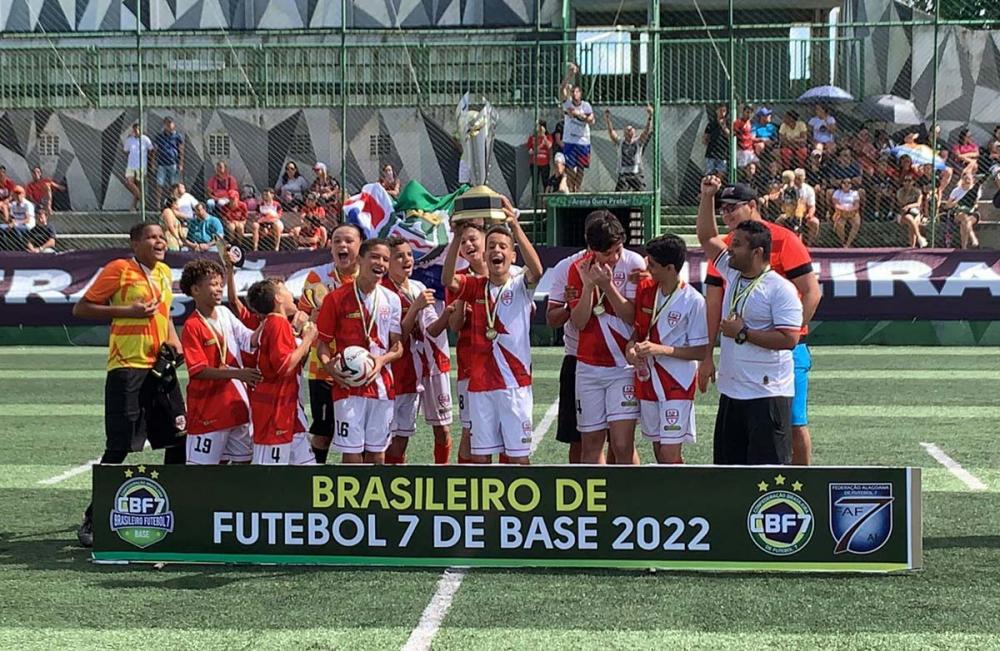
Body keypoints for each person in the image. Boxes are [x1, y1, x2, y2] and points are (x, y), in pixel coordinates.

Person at [71, 223, 184, 547]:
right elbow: (81, 308)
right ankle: (94, 517)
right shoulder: (119, 269)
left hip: (159, 368)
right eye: (151, 237)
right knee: (119, 446)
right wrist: (128, 311)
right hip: (126, 367)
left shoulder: (163, 271)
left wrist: (174, 344)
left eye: (162, 236)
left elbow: (166, 315)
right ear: (135, 243)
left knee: (178, 438)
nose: (159, 241)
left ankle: (176, 507)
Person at [698, 181, 822, 467]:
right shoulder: (733, 266)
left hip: (771, 379)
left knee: (791, 426)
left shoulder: (780, 281)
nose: (729, 248)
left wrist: (752, 333)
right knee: (731, 460)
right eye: (723, 209)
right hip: (737, 384)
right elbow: (706, 237)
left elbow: (796, 324)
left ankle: (800, 488)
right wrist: (706, 196)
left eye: (733, 208)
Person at [442, 198, 544, 464]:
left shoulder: (520, 285)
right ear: (485, 256)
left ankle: (520, 507)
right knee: (480, 459)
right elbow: (447, 280)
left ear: (512, 256)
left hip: (514, 386)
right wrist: (456, 238)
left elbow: (537, 270)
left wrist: (516, 227)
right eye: (491, 247)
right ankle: (486, 509)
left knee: (519, 459)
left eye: (503, 247)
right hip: (480, 387)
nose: (496, 251)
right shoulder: (475, 286)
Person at [567, 211, 645, 465]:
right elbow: (578, 322)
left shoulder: (634, 263)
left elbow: (632, 316)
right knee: (590, 445)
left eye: (617, 250)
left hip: (623, 366)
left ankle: (631, 503)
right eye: (607, 253)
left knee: (622, 444)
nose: (614, 257)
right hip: (588, 367)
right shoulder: (577, 268)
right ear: (592, 249)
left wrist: (608, 286)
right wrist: (589, 285)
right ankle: (597, 503)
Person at [316, 238, 404, 464]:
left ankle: (373, 499)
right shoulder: (335, 298)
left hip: (383, 386)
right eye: (375, 257)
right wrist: (331, 370)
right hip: (348, 387)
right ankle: (351, 500)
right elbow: (322, 345)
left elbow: (398, 346)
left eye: (386, 259)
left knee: (377, 453)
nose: (381, 263)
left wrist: (381, 360)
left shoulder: (392, 299)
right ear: (359, 260)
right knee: (352, 451)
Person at [626, 234, 709, 464]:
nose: (646, 267)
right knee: (658, 448)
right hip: (648, 380)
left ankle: (682, 499)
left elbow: (701, 351)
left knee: (669, 454)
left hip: (677, 382)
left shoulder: (693, 300)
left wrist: (660, 350)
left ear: (670, 268)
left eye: (651, 264)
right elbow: (637, 334)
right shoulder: (646, 291)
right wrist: (631, 348)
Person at [178, 259, 261, 465]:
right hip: (208, 410)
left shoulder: (225, 313)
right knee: (204, 473)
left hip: (236, 407)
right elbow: (198, 370)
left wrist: (271, 320)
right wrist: (237, 373)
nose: (218, 289)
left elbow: (249, 340)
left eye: (220, 284)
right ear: (196, 289)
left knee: (243, 463)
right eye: (213, 284)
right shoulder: (192, 326)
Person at [383, 237, 453, 465]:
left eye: (410, 255)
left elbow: (432, 329)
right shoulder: (383, 292)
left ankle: (442, 476)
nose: (407, 260)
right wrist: (415, 308)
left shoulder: (418, 287)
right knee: (397, 437)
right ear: (387, 263)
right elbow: (397, 339)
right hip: (401, 370)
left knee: (443, 428)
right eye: (399, 256)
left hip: (432, 363)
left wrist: (448, 314)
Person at [297, 223, 363, 463]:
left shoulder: (368, 277)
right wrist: (305, 322)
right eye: (337, 241)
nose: (342, 246)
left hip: (360, 367)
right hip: (322, 369)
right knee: (323, 433)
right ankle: (317, 481)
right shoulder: (317, 277)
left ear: (361, 246)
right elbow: (302, 315)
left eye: (348, 241)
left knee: (360, 434)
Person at [245, 278, 318, 465]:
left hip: (287, 409)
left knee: (306, 467)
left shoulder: (277, 323)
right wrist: (309, 339)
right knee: (270, 474)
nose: (290, 294)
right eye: (285, 289)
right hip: (274, 411)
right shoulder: (277, 323)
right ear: (278, 297)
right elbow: (283, 365)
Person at [435, 222, 490, 464]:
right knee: (471, 431)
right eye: (463, 241)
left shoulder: (511, 274)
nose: (469, 245)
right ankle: (468, 488)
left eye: (473, 239)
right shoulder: (460, 280)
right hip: (471, 366)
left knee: (505, 432)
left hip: (508, 368)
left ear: (485, 240)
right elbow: (455, 327)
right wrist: (459, 309)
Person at [546, 248, 587, 463]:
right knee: (578, 439)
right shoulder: (567, 267)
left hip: (617, 360)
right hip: (576, 357)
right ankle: (582, 489)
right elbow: (552, 318)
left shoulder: (628, 262)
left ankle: (622, 493)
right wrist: (572, 307)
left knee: (621, 440)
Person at [559, 62, 595, 192]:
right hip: (570, 140)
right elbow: (562, 88)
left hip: (583, 141)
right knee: (569, 167)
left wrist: (579, 115)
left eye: (577, 92)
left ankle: (577, 189)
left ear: (581, 94)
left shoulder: (586, 106)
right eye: (573, 91)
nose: (575, 94)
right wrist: (570, 75)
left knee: (581, 167)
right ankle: (571, 185)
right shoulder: (567, 103)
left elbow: (591, 120)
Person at [605, 105, 654, 191]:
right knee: (619, 197)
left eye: (631, 129)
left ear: (634, 133)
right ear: (624, 133)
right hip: (624, 175)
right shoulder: (620, 142)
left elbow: (646, 131)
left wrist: (650, 117)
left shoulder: (638, 142)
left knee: (642, 194)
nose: (629, 130)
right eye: (627, 130)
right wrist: (607, 119)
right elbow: (611, 132)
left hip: (636, 174)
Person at [941, 171, 982, 249]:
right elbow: (948, 205)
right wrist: (957, 202)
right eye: (965, 178)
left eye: (969, 179)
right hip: (959, 212)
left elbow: (976, 204)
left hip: (972, 213)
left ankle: (964, 247)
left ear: (972, 180)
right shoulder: (956, 190)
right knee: (963, 217)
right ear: (962, 179)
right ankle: (973, 239)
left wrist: (971, 208)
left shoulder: (975, 190)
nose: (967, 180)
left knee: (965, 222)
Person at [152, 117, 185, 209]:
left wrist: (181, 163)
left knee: (173, 185)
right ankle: (158, 204)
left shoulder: (177, 136)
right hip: (161, 163)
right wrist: (153, 163)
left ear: (174, 125)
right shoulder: (159, 136)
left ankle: (173, 203)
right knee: (159, 184)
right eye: (167, 124)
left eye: (171, 123)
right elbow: (155, 150)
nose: (169, 125)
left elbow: (181, 150)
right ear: (164, 125)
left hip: (173, 163)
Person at [123, 123, 153, 210]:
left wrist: (151, 162)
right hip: (131, 166)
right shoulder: (129, 140)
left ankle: (134, 206)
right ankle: (143, 201)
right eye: (135, 130)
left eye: (138, 129)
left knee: (139, 186)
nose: (136, 131)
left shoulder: (145, 139)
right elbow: (125, 151)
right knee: (129, 182)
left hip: (141, 166)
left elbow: (151, 150)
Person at [894, 177, 927, 248]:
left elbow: (918, 203)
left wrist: (909, 206)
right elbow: (902, 203)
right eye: (905, 181)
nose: (908, 183)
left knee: (913, 222)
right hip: (903, 213)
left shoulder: (917, 191)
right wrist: (907, 192)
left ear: (913, 182)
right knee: (910, 219)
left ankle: (912, 246)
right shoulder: (900, 191)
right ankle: (919, 238)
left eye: (909, 181)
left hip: (915, 212)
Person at [831, 178, 862, 248]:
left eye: (849, 183)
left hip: (852, 212)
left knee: (856, 223)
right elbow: (835, 204)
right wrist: (844, 209)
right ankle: (843, 242)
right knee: (839, 224)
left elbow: (857, 205)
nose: (846, 184)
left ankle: (848, 243)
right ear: (841, 184)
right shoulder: (837, 192)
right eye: (844, 183)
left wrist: (850, 210)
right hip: (840, 212)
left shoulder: (854, 193)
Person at [526, 120, 553, 198]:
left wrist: (543, 136)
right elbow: (530, 151)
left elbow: (549, 146)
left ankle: (545, 201)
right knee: (535, 183)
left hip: (545, 163)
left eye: (539, 126)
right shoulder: (532, 138)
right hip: (534, 164)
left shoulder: (548, 137)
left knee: (545, 182)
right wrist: (536, 149)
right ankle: (534, 201)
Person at [3, 186, 35, 250]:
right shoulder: (13, 204)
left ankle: (21, 248)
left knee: (15, 228)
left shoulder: (27, 204)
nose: (18, 195)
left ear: (24, 194)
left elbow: (27, 220)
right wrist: (12, 222)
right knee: (1, 227)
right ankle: (5, 248)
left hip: (27, 225)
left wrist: (15, 223)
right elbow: (13, 217)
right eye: (15, 193)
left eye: (19, 193)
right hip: (16, 224)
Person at [703, 104, 730, 178]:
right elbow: (704, 140)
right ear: (716, 111)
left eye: (724, 111)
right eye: (720, 111)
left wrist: (723, 127)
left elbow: (730, 136)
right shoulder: (711, 124)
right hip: (711, 153)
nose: (722, 113)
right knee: (709, 175)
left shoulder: (728, 124)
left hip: (722, 154)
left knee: (720, 175)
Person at [733, 105, 758, 175]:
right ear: (743, 112)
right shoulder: (738, 122)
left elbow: (749, 136)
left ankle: (750, 181)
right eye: (747, 112)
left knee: (754, 165)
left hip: (749, 148)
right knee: (743, 168)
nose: (749, 115)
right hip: (742, 149)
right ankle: (742, 180)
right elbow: (735, 134)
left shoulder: (749, 122)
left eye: (750, 113)